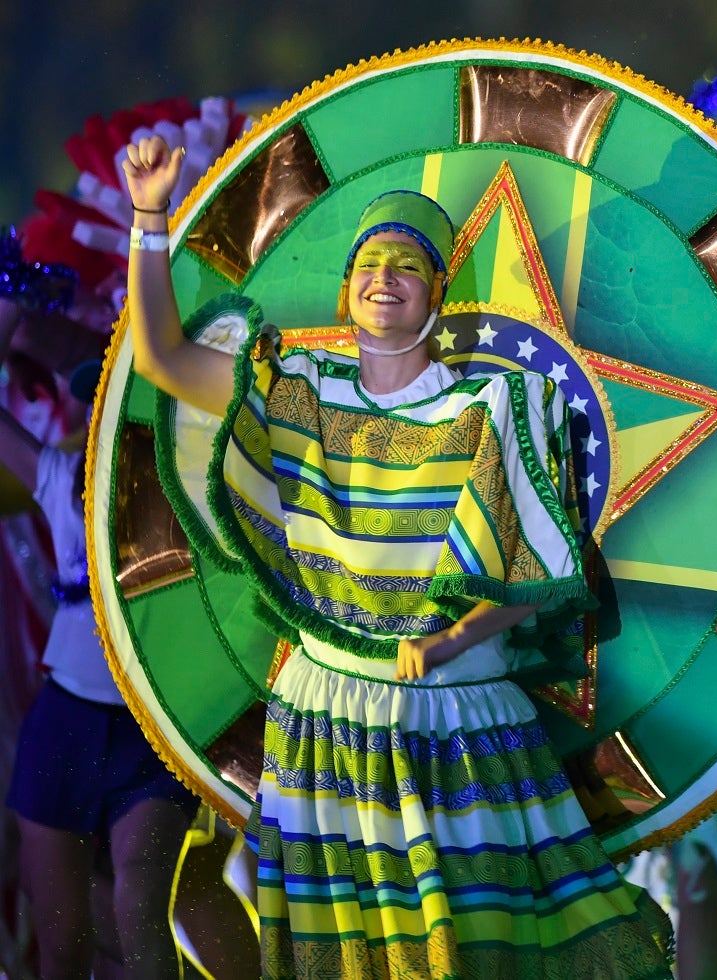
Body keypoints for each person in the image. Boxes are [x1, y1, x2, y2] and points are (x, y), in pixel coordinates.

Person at [122, 135, 675, 977]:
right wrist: (149, 216)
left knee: (474, 952)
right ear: (347, 289)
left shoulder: (491, 405)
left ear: (438, 295)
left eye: (406, 266)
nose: (385, 276)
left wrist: (448, 642)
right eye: (370, 263)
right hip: (326, 721)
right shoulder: (297, 392)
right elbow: (161, 358)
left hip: (452, 722)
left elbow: (535, 575)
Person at [0, 295, 198, 979]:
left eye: (122, 396)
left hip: (153, 730)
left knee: (140, 913)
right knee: (62, 944)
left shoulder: (194, 491)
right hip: (64, 725)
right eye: (96, 399)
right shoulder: (59, 477)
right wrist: (7, 301)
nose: (104, 412)